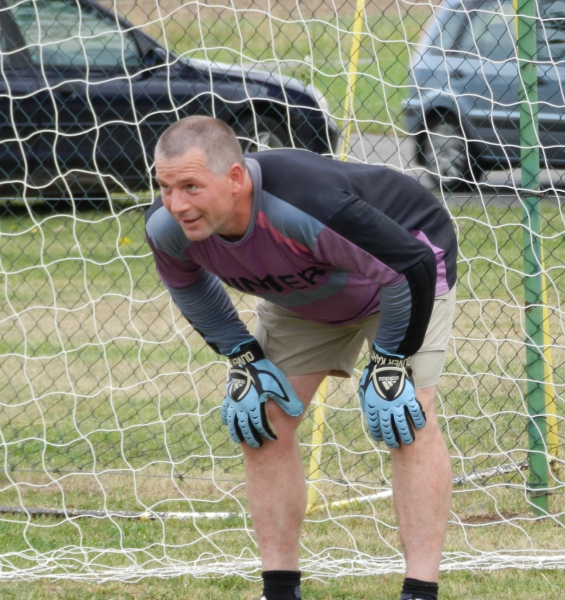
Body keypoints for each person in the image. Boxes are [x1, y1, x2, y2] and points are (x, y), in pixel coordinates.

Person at [144, 116, 457, 600]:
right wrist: (242, 355)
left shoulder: (306, 204)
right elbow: (188, 286)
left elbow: (407, 266)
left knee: (406, 416)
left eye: (190, 187)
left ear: (235, 177)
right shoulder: (168, 228)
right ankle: (280, 592)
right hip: (306, 298)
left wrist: (391, 361)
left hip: (401, 280)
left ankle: (419, 591)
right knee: (262, 420)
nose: (176, 204)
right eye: (165, 188)